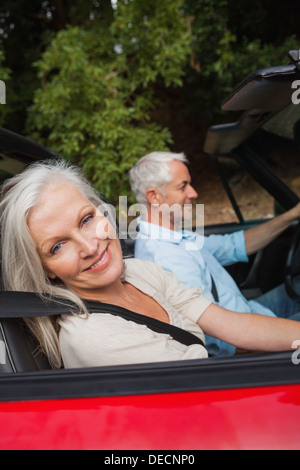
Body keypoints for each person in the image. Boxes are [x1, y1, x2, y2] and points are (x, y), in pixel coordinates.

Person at [1, 159, 300, 370]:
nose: (90, 246)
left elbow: (233, 325)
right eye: (57, 246)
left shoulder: (141, 271)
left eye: (87, 219)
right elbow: (205, 389)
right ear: (46, 269)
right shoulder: (95, 338)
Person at [129, 151, 300, 356]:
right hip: (252, 335)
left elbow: (233, 246)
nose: (193, 193)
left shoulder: (175, 236)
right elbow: (221, 339)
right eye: (183, 186)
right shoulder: (167, 259)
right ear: (154, 197)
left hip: (250, 310)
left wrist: (292, 215)